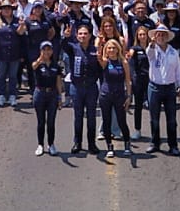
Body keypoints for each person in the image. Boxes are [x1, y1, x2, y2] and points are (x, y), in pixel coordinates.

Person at [146, 24, 180, 155]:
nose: (161, 37)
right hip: (154, 87)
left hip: (169, 88)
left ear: (167, 37)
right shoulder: (152, 49)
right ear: (155, 37)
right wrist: (151, 44)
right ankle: (155, 143)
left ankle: (173, 145)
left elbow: (178, 70)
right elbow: (149, 54)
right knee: (154, 118)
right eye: (158, 34)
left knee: (171, 119)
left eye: (163, 35)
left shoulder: (173, 52)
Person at [67, 24, 101, 154]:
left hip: (91, 88)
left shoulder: (95, 50)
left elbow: (100, 68)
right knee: (78, 116)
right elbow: (64, 45)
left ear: (90, 36)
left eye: (85, 34)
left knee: (91, 116)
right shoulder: (73, 48)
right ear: (77, 36)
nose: (83, 36)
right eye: (80, 34)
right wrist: (66, 36)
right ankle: (77, 142)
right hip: (76, 87)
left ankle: (92, 144)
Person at [97, 38, 132, 157]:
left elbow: (128, 81)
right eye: (109, 48)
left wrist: (129, 96)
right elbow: (98, 57)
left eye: (114, 48)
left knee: (122, 121)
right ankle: (109, 147)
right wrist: (100, 45)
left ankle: (127, 144)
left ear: (118, 49)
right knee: (106, 121)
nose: (111, 50)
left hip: (120, 95)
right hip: (105, 95)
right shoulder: (105, 61)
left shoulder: (123, 62)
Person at [32, 41, 64, 155]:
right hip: (40, 93)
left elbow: (58, 82)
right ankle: (40, 144)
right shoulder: (38, 63)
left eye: (48, 49)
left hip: (52, 95)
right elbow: (33, 66)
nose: (46, 52)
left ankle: (51, 144)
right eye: (44, 49)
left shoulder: (56, 65)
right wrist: (41, 59)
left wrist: (60, 97)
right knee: (41, 122)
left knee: (51, 122)